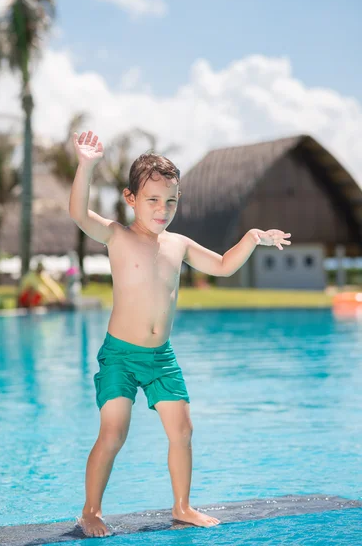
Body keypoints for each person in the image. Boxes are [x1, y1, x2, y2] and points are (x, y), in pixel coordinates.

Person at [70, 130, 291, 538]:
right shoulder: (118, 236)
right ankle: (90, 511)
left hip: (161, 358)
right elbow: (81, 215)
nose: (162, 208)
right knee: (114, 432)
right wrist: (86, 165)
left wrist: (252, 237)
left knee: (183, 431)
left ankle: (183, 506)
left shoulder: (179, 243)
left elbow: (224, 265)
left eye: (170, 200)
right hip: (120, 354)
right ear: (130, 198)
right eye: (152, 199)